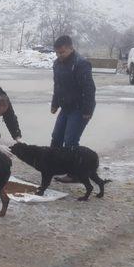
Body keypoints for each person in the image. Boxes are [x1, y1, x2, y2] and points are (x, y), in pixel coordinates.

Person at [50, 35, 96, 183]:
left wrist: (88, 110)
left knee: (70, 141)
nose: (59, 56)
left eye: (62, 52)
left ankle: (74, 173)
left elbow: (89, 89)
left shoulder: (81, 64)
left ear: (71, 48)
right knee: (56, 137)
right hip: (66, 107)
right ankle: (55, 166)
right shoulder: (57, 64)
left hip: (80, 109)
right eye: (57, 53)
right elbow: (57, 86)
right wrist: (55, 103)